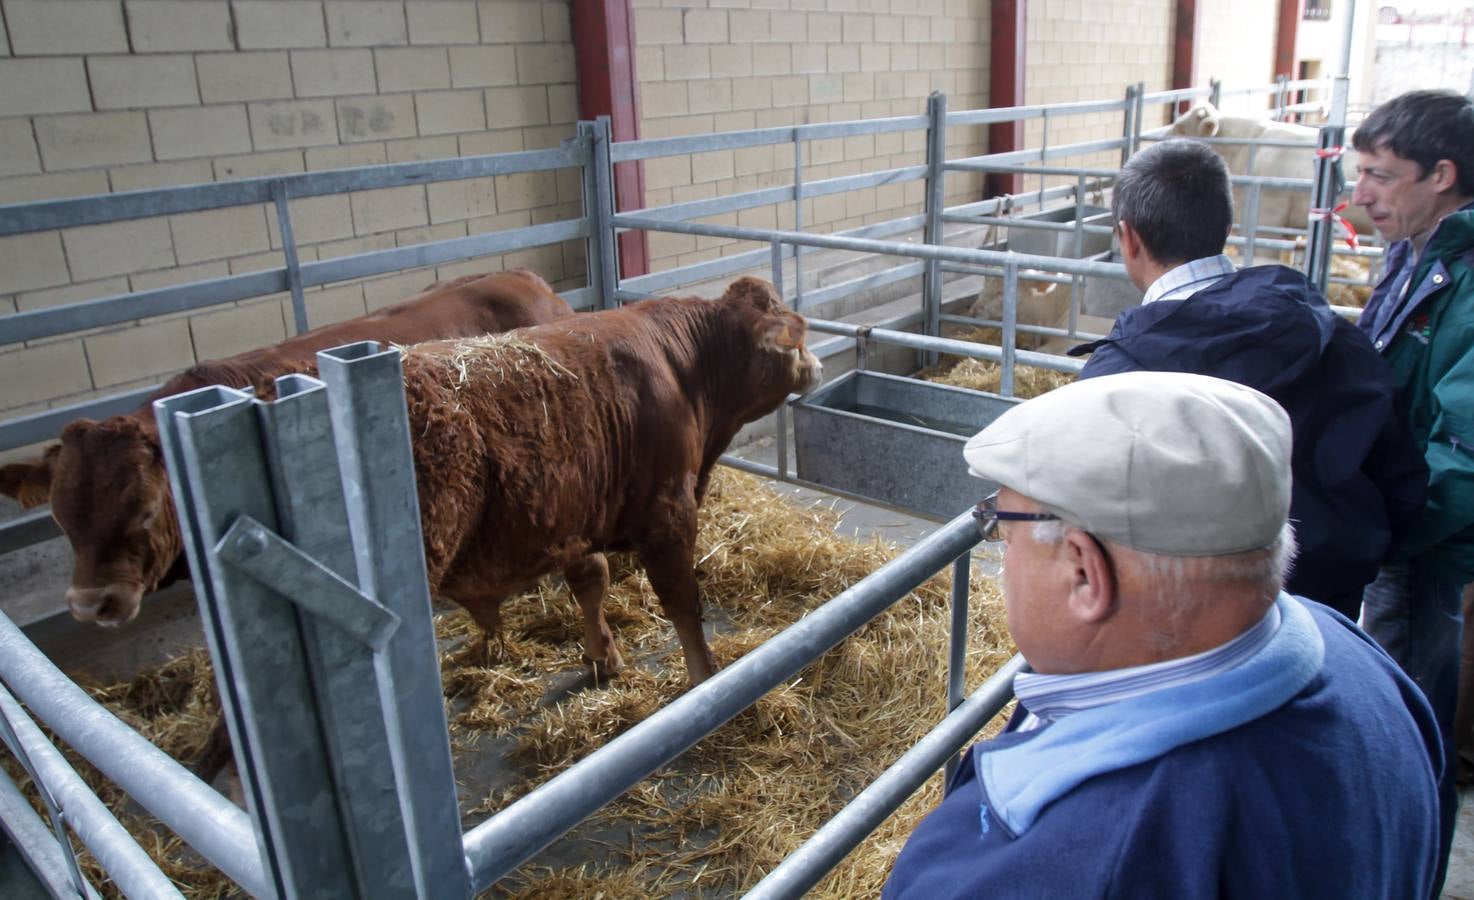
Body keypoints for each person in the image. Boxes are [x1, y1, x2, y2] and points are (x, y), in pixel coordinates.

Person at [883, 371, 1440, 899]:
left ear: (1084, 572)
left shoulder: (1073, 867)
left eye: (1003, 532)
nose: (1002, 562)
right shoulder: (1362, 661)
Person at [1065, 138, 1426, 619]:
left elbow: (1077, 519)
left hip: (1189, 625)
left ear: (1127, 237)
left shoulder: (1120, 379)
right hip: (1325, 611)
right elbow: (1399, 475)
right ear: (1226, 227)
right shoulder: (1332, 334)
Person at [1351, 88, 1474, 886]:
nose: (1361, 194)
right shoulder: (1420, 254)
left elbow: (1463, 452)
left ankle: (1403, 877)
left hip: (1433, 554)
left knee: (1409, 735)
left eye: (1380, 176)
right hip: (1404, 535)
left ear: (1442, 175)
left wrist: (1390, 529)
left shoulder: (1465, 276)